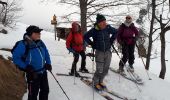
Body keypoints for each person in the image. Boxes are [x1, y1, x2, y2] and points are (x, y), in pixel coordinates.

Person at [12, 25, 52, 100]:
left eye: (39, 33)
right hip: (32, 74)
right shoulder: (23, 44)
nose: (39, 34)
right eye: (37, 32)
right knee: (33, 94)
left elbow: (46, 52)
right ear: (31, 34)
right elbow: (16, 58)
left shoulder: (40, 42)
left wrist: (48, 63)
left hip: (43, 72)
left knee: (45, 90)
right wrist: (26, 67)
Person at [84, 14, 117, 91]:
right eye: (102, 22)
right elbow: (85, 36)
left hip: (108, 51)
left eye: (105, 21)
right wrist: (92, 44)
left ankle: (101, 81)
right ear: (98, 23)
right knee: (99, 69)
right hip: (99, 52)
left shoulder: (108, 28)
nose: (104, 23)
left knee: (106, 68)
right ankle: (95, 82)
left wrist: (111, 41)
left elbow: (116, 32)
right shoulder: (94, 30)